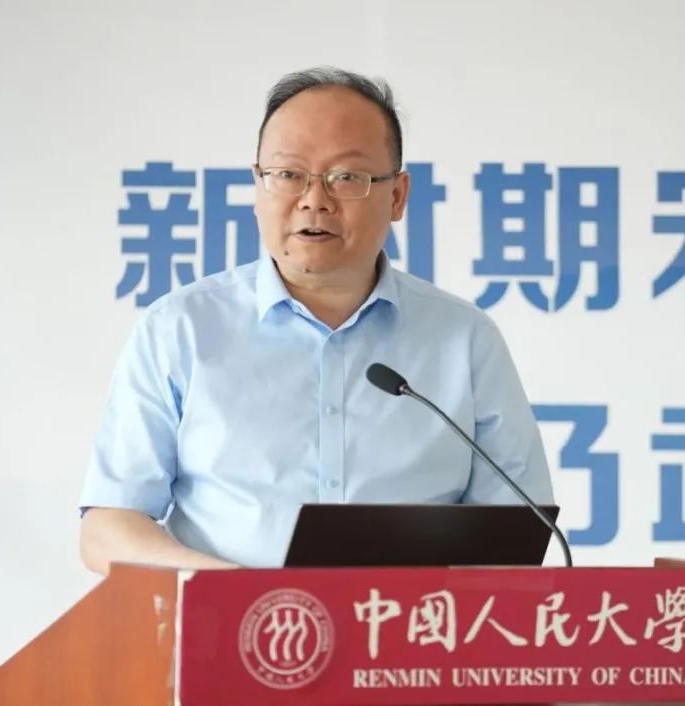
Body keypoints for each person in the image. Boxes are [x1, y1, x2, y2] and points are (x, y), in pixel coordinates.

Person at [79, 67, 553, 574]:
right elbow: (109, 526)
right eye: (288, 174)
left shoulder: (464, 340)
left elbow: (515, 532)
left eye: (346, 177)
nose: (314, 200)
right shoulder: (180, 329)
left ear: (397, 196)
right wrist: (232, 594)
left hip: (404, 623)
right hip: (225, 619)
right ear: (258, 186)